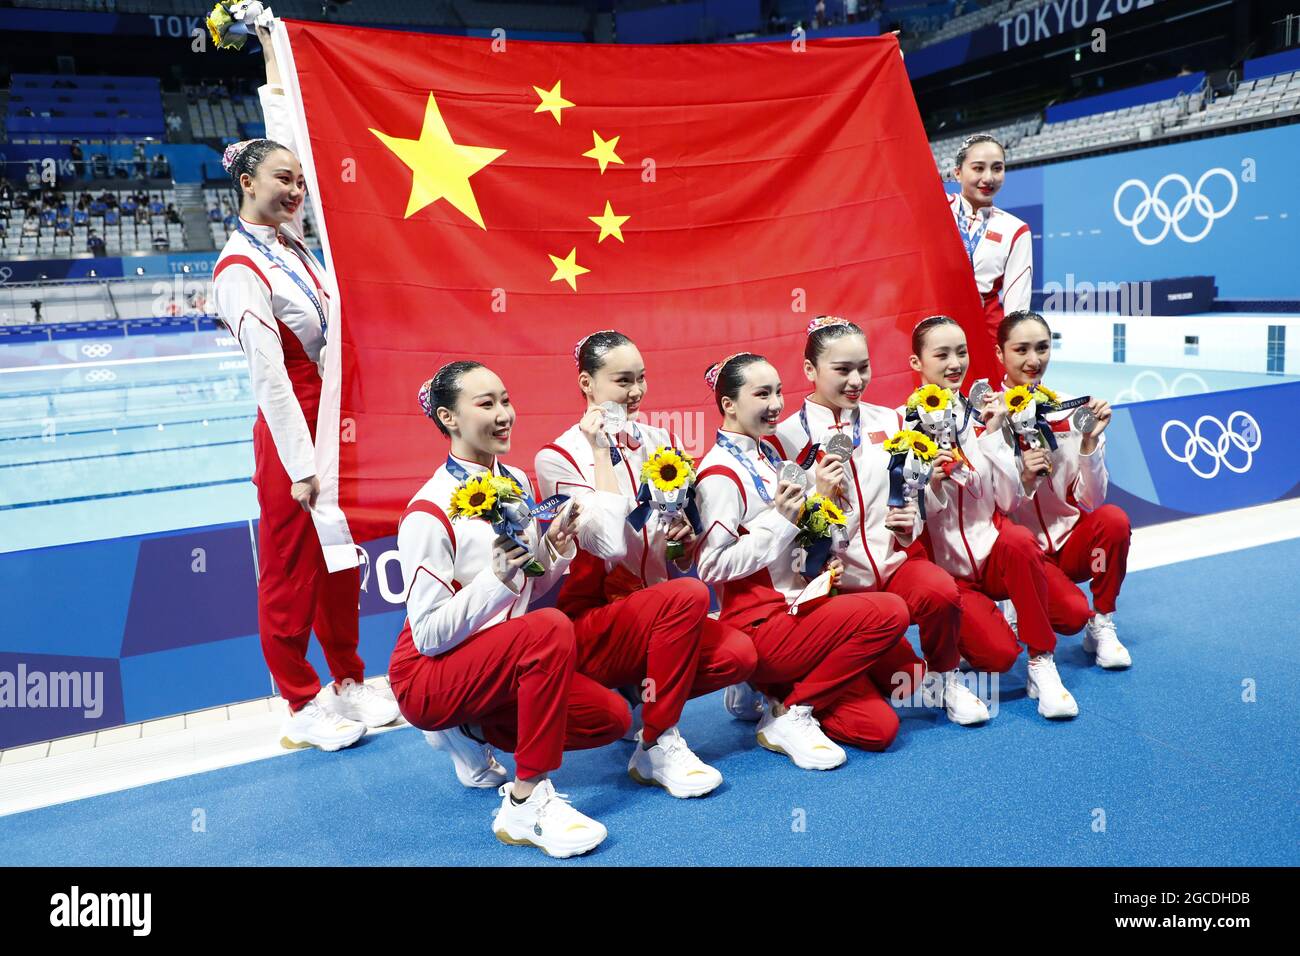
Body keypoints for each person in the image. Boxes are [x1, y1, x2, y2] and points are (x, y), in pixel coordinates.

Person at [210, 16, 398, 750]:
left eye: (298, 179)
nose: (295, 189)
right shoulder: (239, 272)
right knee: (290, 571)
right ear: (246, 182)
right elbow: (270, 380)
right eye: (281, 179)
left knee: (340, 561)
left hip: (335, 419)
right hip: (291, 432)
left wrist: (271, 50)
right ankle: (298, 700)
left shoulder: (299, 245)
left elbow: (299, 131)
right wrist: (300, 466)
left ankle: (349, 679)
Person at [389, 361, 625, 858]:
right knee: (548, 630)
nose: (504, 415)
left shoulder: (515, 480)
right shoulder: (429, 511)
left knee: (610, 718)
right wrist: (496, 580)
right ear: (449, 418)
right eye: (486, 404)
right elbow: (429, 635)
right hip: (429, 672)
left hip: (498, 659)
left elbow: (527, 590)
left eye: (505, 400)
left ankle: (470, 727)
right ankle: (524, 801)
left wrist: (553, 552)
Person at [535, 330, 757, 798]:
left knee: (739, 655)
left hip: (659, 615)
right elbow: (610, 543)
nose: (635, 392)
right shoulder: (555, 457)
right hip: (594, 622)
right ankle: (657, 740)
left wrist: (685, 537)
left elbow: (679, 548)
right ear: (587, 383)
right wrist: (600, 451)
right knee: (690, 595)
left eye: (641, 379)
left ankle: (640, 694)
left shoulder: (660, 441)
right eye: (622, 381)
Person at [765, 316, 990, 732]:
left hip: (891, 567)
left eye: (863, 368)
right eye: (843, 369)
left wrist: (914, 520)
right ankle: (774, 685)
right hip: (833, 591)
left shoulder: (891, 421)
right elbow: (777, 530)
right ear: (810, 370)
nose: (856, 380)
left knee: (940, 592)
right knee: (889, 700)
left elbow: (917, 498)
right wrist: (816, 495)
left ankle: (947, 678)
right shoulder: (783, 438)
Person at [694, 352, 913, 771]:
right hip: (760, 624)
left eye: (778, 390)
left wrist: (817, 555)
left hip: (802, 610)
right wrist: (780, 521)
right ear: (728, 404)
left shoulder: (769, 458)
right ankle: (791, 711)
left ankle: (772, 691)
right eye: (762, 393)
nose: (776, 403)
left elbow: (790, 542)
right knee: (890, 612)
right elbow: (711, 567)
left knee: (878, 728)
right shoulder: (719, 474)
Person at [905, 315, 1079, 718]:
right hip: (949, 573)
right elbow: (907, 518)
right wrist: (930, 484)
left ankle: (1041, 664)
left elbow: (1007, 500)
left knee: (1020, 540)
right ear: (917, 363)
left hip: (993, 551)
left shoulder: (983, 418)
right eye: (942, 354)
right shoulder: (902, 427)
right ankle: (962, 650)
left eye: (961, 352)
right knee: (999, 657)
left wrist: (992, 439)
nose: (954, 363)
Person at [995, 310, 1132, 669]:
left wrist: (1088, 444)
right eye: (1021, 349)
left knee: (1113, 520)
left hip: (1069, 543)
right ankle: (1014, 600)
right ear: (1000, 354)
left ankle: (1101, 623)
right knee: (1071, 616)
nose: (1033, 359)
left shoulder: (1073, 411)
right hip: (1022, 551)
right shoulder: (987, 418)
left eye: (1042, 347)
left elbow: (1092, 499)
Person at [949, 134, 1032, 349]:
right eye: (978, 168)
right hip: (934, 331)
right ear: (957, 173)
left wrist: (1018, 348)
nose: (988, 178)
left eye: (997, 168)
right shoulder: (936, 209)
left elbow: (1017, 304)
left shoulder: (1015, 229)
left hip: (986, 334)